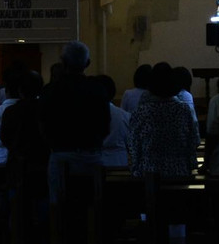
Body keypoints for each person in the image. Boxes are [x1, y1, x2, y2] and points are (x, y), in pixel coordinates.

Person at [39, 41, 111, 201]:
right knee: (93, 206)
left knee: (59, 209)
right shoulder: (97, 89)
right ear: (88, 63)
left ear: (63, 62)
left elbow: (42, 125)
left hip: (60, 154)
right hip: (91, 156)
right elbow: (106, 125)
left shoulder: (50, 90)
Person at [128, 63, 200, 177]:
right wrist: (190, 163)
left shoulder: (141, 112)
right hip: (178, 171)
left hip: (149, 172)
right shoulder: (183, 110)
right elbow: (194, 141)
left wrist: (136, 167)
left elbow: (133, 144)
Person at [97, 75, 131, 167]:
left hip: (96, 161)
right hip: (119, 162)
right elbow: (130, 144)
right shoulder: (124, 115)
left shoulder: (88, 114)